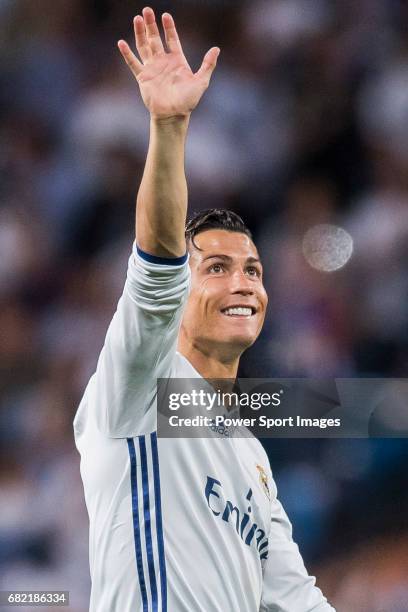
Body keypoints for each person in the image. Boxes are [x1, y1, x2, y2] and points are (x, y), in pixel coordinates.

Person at [73, 7, 336, 611]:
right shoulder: (141, 382)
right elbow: (158, 268)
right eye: (215, 269)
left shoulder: (250, 457)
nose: (242, 283)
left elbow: (298, 599)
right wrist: (169, 128)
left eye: (253, 271)